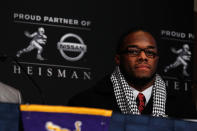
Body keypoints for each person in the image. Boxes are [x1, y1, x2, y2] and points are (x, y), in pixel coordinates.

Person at [68, 27, 197, 119]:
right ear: (118, 59)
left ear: (156, 60)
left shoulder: (183, 108)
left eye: (150, 52)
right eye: (134, 51)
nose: (143, 57)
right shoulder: (85, 104)